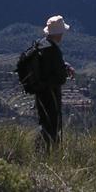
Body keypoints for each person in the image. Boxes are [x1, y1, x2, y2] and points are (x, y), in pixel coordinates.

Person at [35, 14, 74, 148]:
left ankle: (40, 149)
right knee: (52, 123)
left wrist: (64, 65)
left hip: (40, 91)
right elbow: (60, 78)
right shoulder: (54, 51)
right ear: (58, 34)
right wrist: (64, 71)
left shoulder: (40, 44)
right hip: (51, 93)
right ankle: (48, 152)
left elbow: (47, 65)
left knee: (44, 121)